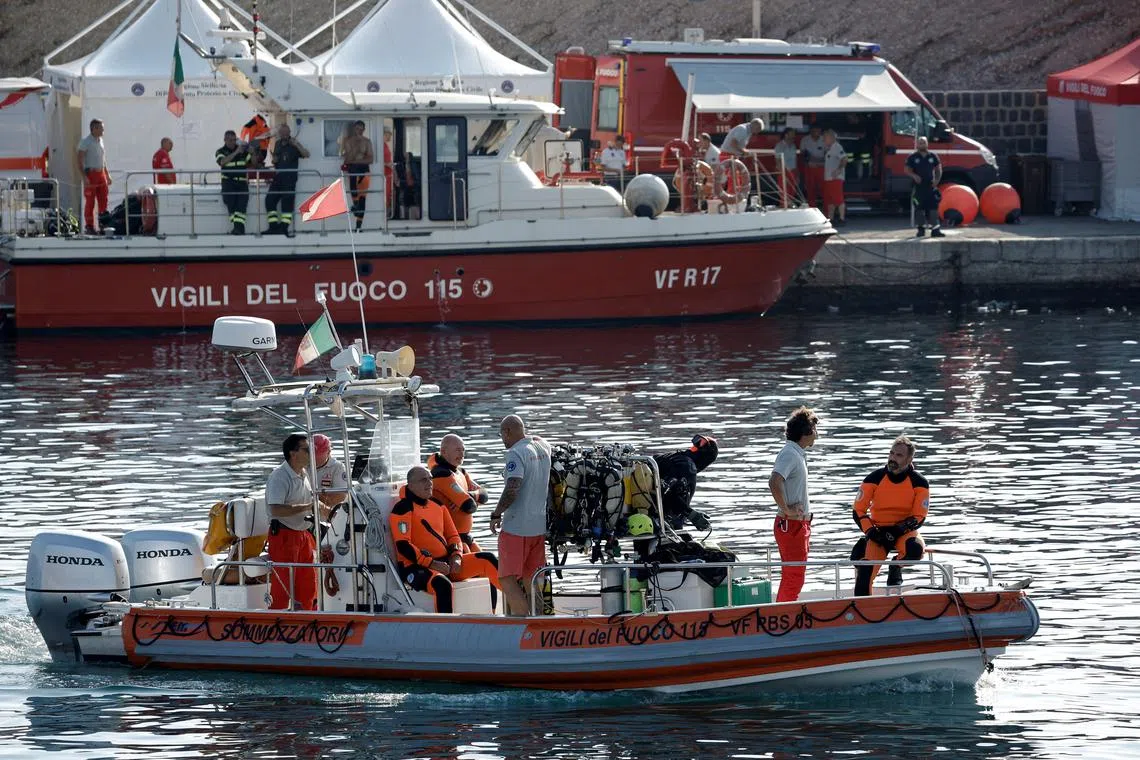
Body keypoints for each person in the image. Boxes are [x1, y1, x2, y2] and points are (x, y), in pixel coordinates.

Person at [389, 465, 501, 613]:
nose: (429, 483)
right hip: (416, 568)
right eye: (423, 480)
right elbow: (403, 545)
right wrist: (431, 563)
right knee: (442, 585)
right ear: (410, 485)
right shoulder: (402, 508)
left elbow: (453, 536)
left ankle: (505, 612)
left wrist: (456, 557)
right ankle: (446, 628)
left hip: (445, 562)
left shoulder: (438, 505)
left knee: (488, 559)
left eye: (430, 479)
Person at [489, 414, 551, 617]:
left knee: (506, 578)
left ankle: (524, 622)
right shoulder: (544, 447)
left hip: (516, 527)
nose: (503, 441)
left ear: (507, 431)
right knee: (531, 577)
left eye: (502, 435)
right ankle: (539, 619)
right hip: (538, 526)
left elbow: (512, 488)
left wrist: (496, 513)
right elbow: (537, 438)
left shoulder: (516, 453)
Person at [850, 436, 929, 596]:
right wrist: (871, 532)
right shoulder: (874, 478)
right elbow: (858, 510)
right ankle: (862, 610)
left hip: (904, 533)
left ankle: (896, 566)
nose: (893, 458)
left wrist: (897, 531)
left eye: (899, 455)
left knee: (915, 550)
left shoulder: (919, 482)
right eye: (892, 453)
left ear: (909, 459)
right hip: (878, 533)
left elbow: (919, 516)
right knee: (865, 573)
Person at [265, 433, 329, 610]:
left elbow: (310, 501)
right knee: (283, 585)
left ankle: (307, 617)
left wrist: (329, 512)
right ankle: (277, 620)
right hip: (284, 536)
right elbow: (275, 510)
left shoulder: (303, 474)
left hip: (303, 535)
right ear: (293, 454)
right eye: (307, 450)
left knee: (309, 582)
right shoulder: (280, 476)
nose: (312, 453)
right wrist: (306, 507)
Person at [767, 406, 819, 603]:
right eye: (815, 430)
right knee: (794, 576)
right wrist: (786, 509)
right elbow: (774, 481)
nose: (817, 435)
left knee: (794, 575)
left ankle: (785, 610)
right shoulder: (790, 453)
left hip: (798, 525)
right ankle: (784, 616)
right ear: (806, 432)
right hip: (792, 525)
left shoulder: (796, 453)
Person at [429, 433, 489, 552]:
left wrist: (471, 495)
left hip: (464, 535)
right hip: (450, 540)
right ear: (444, 451)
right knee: (486, 562)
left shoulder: (461, 472)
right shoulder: (442, 474)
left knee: (492, 563)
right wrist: (471, 498)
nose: (462, 454)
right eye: (457, 450)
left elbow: (484, 494)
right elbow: (469, 506)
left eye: (463, 450)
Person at [264, 124, 309, 236]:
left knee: (286, 205)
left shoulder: (294, 144)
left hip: (289, 179)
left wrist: (297, 145)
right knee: (269, 200)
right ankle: (273, 227)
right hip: (278, 178)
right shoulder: (278, 144)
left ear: (289, 133)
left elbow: (306, 154)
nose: (284, 134)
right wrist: (274, 160)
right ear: (279, 133)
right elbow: (276, 160)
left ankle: (283, 228)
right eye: (282, 132)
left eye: (286, 132)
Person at [77, 118, 110, 235]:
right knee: (90, 202)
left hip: (101, 173)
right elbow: (79, 160)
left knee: (103, 200)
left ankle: (102, 225)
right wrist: (84, 177)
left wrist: (107, 174)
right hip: (91, 174)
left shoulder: (100, 140)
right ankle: (89, 226)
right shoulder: (85, 142)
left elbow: (103, 159)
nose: (103, 130)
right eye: (101, 128)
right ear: (94, 128)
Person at [906, 136, 944, 238]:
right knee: (919, 208)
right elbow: (907, 170)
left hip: (930, 186)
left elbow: (938, 169)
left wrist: (937, 180)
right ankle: (921, 230)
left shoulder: (933, 156)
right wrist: (914, 176)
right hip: (918, 187)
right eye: (920, 142)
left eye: (924, 142)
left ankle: (935, 230)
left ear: (927, 144)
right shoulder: (912, 157)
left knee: (933, 208)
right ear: (917, 144)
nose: (922, 144)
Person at [215, 130, 251, 235]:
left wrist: (252, 152)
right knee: (231, 205)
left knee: (241, 206)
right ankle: (239, 229)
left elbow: (253, 163)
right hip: (228, 183)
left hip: (242, 183)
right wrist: (236, 153)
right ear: (225, 140)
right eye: (230, 140)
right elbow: (222, 162)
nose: (232, 142)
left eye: (234, 140)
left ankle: (238, 230)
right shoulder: (220, 151)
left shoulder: (243, 151)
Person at [341, 120, 374, 232]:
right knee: (354, 191)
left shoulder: (367, 142)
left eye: (361, 129)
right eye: (357, 129)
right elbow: (348, 159)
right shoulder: (348, 141)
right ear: (354, 129)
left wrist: (357, 160)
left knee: (363, 198)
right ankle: (355, 206)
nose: (359, 131)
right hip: (354, 171)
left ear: (364, 130)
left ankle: (358, 226)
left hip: (364, 171)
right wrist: (356, 145)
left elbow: (371, 159)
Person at [311, 434, 348, 507]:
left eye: (318, 454)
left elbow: (340, 497)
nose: (314, 457)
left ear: (328, 452)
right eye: (312, 454)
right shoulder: (302, 464)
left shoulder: (338, 468)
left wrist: (310, 496)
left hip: (327, 514)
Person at [822, 129, 847, 225]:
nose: (823, 139)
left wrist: (839, 170)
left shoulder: (837, 147)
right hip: (828, 178)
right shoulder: (829, 147)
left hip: (835, 178)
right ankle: (830, 218)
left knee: (838, 199)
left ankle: (842, 219)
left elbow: (844, 159)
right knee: (830, 200)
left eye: (825, 137)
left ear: (831, 137)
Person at [799, 124, 826, 209]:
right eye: (814, 131)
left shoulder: (824, 139)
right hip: (809, 167)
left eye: (818, 131)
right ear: (811, 131)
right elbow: (803, 154)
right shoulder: (805, 140)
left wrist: (819, 160)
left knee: (823, 188)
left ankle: (826, 208)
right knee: (810, 188)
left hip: (822, 167)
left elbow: (828, 153)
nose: (816, 133)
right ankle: (812, 207)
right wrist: (810, 159)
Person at [773, 128, 800, 208]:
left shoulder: (793, 145)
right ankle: (783, 208)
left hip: (793, 171)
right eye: (792, 133)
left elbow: (795, 160)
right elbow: (778, 161)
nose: (794, 136)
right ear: (786, 135)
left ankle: (790, 208)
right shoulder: (779, 146)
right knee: (784, 192)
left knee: (792, 192)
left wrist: (797, 174)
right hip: (784, 171)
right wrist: (783, 174)